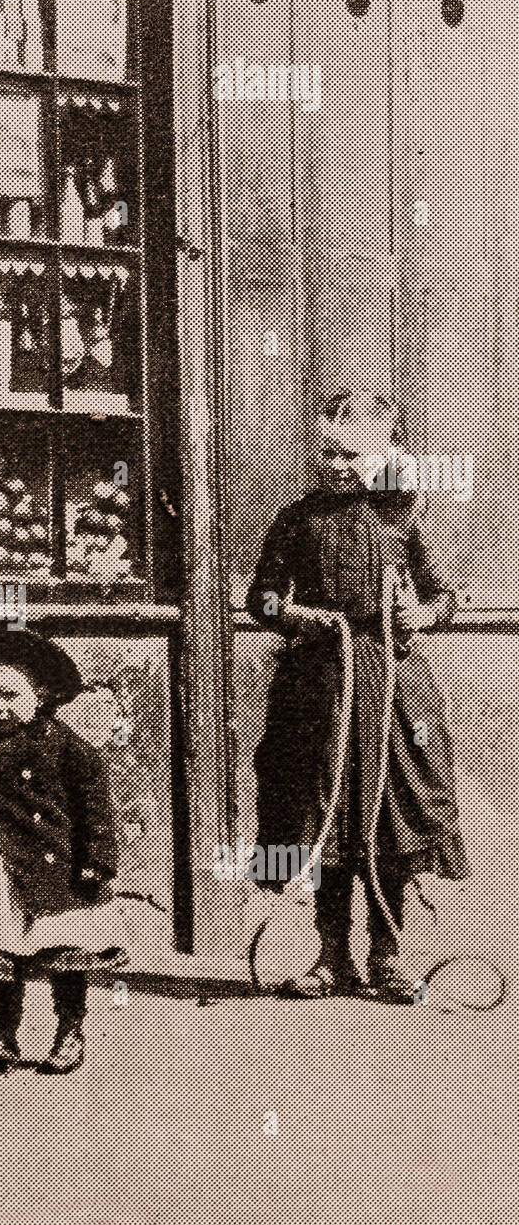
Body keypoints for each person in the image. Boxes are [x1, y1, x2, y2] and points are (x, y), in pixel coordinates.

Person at [246, 392, 469, 1002]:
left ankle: (391, 952)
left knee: (393, 815)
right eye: (333, 444)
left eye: (360, 444)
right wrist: (302, 616)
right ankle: (329, 952)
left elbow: (441, 596)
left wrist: (416, 613)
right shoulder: (294, 519)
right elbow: (261, 601)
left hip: (388, 683)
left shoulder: (400, 517)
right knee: (319, 816)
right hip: (315, 687)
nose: (345, 459)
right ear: (317, 450)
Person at [0, 623, 124, 1075]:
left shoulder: (69, 748)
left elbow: (95, 811)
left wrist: (97, 862)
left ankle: (70, 1032)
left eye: (8, 696)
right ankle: (3, 1036)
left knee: (65, 952)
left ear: (41, 693)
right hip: (0, 867)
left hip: (56, 867)